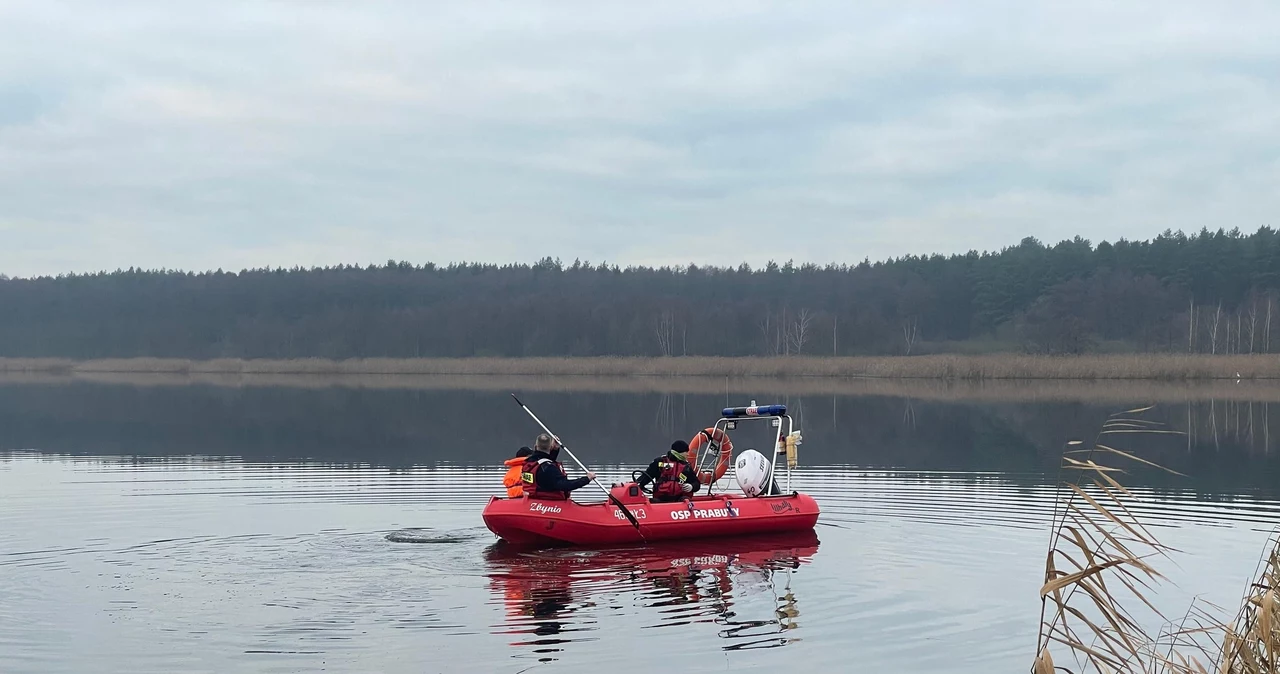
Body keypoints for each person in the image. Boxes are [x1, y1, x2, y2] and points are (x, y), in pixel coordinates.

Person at [521, 433, 596, 500]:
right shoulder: (549, 468)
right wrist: (586, 479)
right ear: (550, 447)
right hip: (548, 503)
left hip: (533, 499)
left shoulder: (529, 463)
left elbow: (543, 462)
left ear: (535, 447)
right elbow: (566, 485)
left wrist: (555, 450)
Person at [636, 440, 701, 503]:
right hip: (660, 499)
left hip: (679, 500)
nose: (687, 454)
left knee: (685, 500)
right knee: (653, 501)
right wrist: (636, 484)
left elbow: (696, 483)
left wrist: (692, 486)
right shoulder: (659, 462)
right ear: (679, 452)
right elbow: (646, 477)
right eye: (686, 452)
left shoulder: (687, 467)